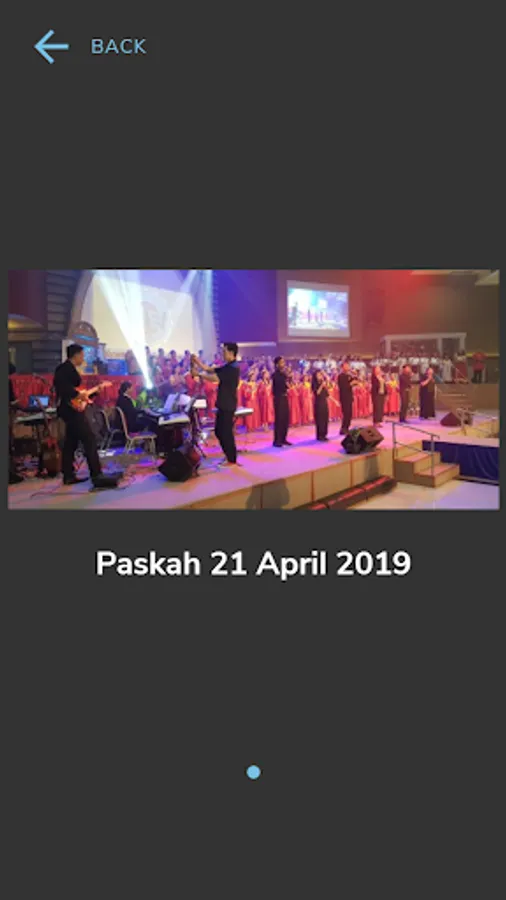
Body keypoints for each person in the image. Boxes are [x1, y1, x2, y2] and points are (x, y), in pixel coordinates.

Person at [54, 344, 118, 489]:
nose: (83, 359)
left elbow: (78, 393)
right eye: (82, 355)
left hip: (71, 409)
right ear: (75, 355)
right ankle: (96, 475)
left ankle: (68, 475)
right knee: (89, 439)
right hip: (70, 410)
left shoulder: (68, 369)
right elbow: (65, 389)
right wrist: (78, 395)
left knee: (71, 442)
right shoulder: (63, 369)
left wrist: (93, 393)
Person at [192, 343, 240, 467]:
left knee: (226, 432)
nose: (222, 354)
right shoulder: (228, 366)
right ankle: (229, 455)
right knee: (219, 431)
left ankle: (231, 459)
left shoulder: (233, 368)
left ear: (231, 352)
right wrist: (198, 362)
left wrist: (199, 374)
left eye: (224, 351)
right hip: (223, 403)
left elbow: (214, 378)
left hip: (228, 404)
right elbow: (210, 369)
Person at [272, 357, 292, 448]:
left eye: (283, 362)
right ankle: (277, 440)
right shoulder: (275, 375)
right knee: (279, 419)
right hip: (278, 398)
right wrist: (286, 379)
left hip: (285, 397)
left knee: (285, 418)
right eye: (281, 362)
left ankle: (284, 438)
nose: (283, 364)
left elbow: (289, 386)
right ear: (277, 364)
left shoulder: (284, 374)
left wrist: (289, 377)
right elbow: (280, 386)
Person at [338, 362, 357, 435]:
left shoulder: (349, 375)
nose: (348, 367)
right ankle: (343, 428)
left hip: (349, 396)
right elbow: (343, 387)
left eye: (348, 366)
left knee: (349, 414)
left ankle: (347, 428)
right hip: (344, 397)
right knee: (346, 413)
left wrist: (355, 375)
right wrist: (350, 384)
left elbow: (355, 382)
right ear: (342, 367)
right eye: (346, 366)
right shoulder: (340, 376)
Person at [312, 370, 330, 441]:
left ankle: (324, 434)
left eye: (320, 375)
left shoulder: (323, 383)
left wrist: (335, 401)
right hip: (318, 404)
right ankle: (320, 435)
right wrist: (322, 385)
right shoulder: (314, 384)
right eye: (318, 375)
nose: (320, 376)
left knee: (325, 419)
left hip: (324, 403)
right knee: (320, 420)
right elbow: (317, 393)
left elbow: (327, 394)